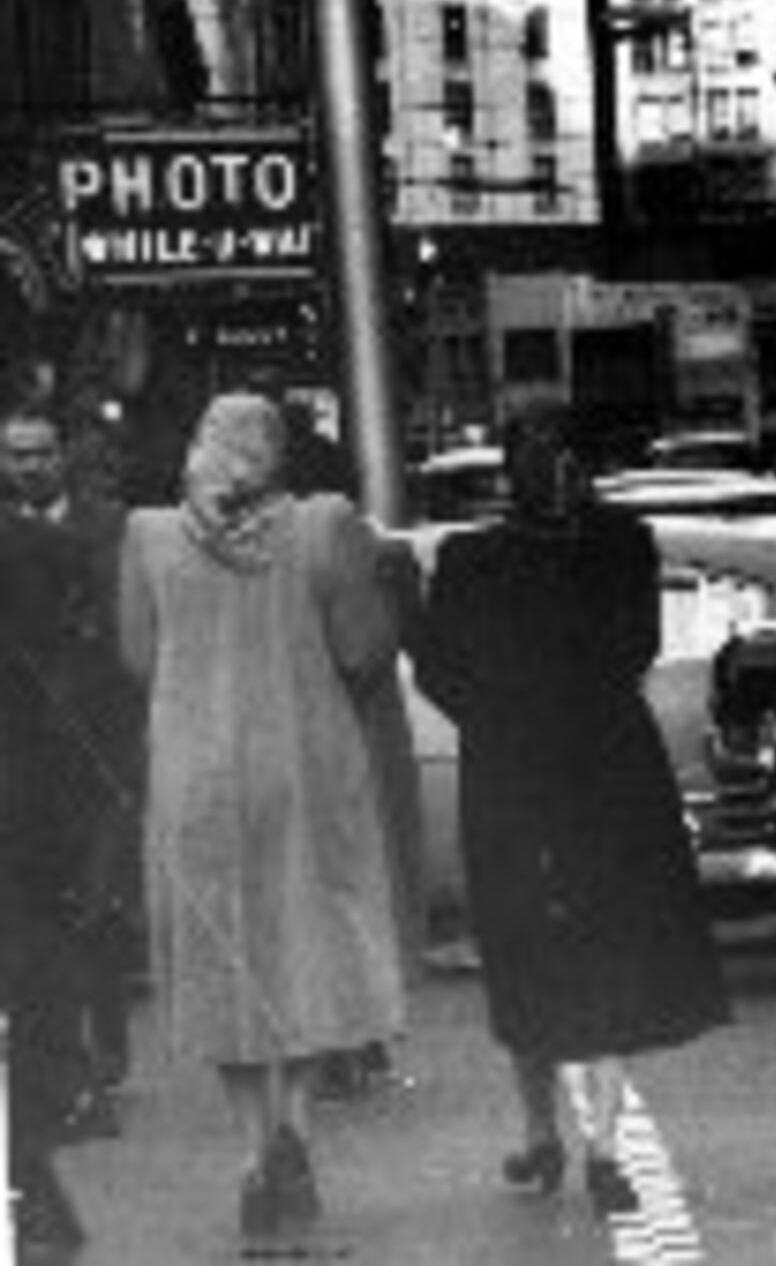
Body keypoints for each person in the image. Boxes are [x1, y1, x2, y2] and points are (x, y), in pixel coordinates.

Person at [414, 397, 729, 1218]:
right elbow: (634, 648)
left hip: (522, 773)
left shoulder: (478, 556)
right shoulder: (615, 544)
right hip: (603, 766)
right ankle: (584, 1142)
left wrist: (501, 713)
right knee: (583, 949)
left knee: (537, 951)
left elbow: (443, 666)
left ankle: (559, 1136)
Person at [122, 391, 410, 1245]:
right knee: (307, 946)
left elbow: (140, 659)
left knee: (223, 963)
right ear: (278, 450)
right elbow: (361, 648)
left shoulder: (147, 536)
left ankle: (252, 1157)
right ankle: (297, 1129)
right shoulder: (323, 525)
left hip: (194, 776)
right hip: (304, 765)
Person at [1, 398, 139, 1147]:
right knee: (47, 912)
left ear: (65, 455)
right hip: (23, 756)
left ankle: (105, 1049)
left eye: (41, 451)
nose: (28, 465)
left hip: (97, 739)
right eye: (15, 453)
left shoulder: (110, 526)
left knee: (98, 900)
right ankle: (67, 1064)